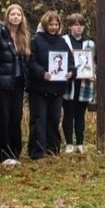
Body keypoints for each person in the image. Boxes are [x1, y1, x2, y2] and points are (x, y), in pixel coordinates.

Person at [28, 11, 74, 159]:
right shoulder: (35, 40)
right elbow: (30, 61)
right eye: (50, 24)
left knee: (54, 119)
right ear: (44, 25)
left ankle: (53, 150)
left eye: (56, 24)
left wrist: (71, 72)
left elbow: (71, 62)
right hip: (39, 88)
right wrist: (42, 73)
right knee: (39, 120)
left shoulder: (62, 42)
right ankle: (37, 152)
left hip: (57, 88)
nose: (53, 27)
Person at [0, 3, 30, 166]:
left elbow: (26, 62)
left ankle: (15, 152)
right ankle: (3, 154)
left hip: (18, 83)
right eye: (12, 14)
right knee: (2, 119)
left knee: (16, 118)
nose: (15, 17)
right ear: (7, 16)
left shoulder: (24, 36)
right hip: (2, 85)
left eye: (18, 15)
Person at [61, 13, 95, 154]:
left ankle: (80, 143)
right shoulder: (63, 41)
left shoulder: (89, 43)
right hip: (68, 84)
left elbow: (94, 62)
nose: (78, 27)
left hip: (84, 84)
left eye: (81, 24)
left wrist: (93, 73)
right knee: (68, 114)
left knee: (80, 115)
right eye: (75, 24)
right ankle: (69, 143)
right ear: (70, 26)